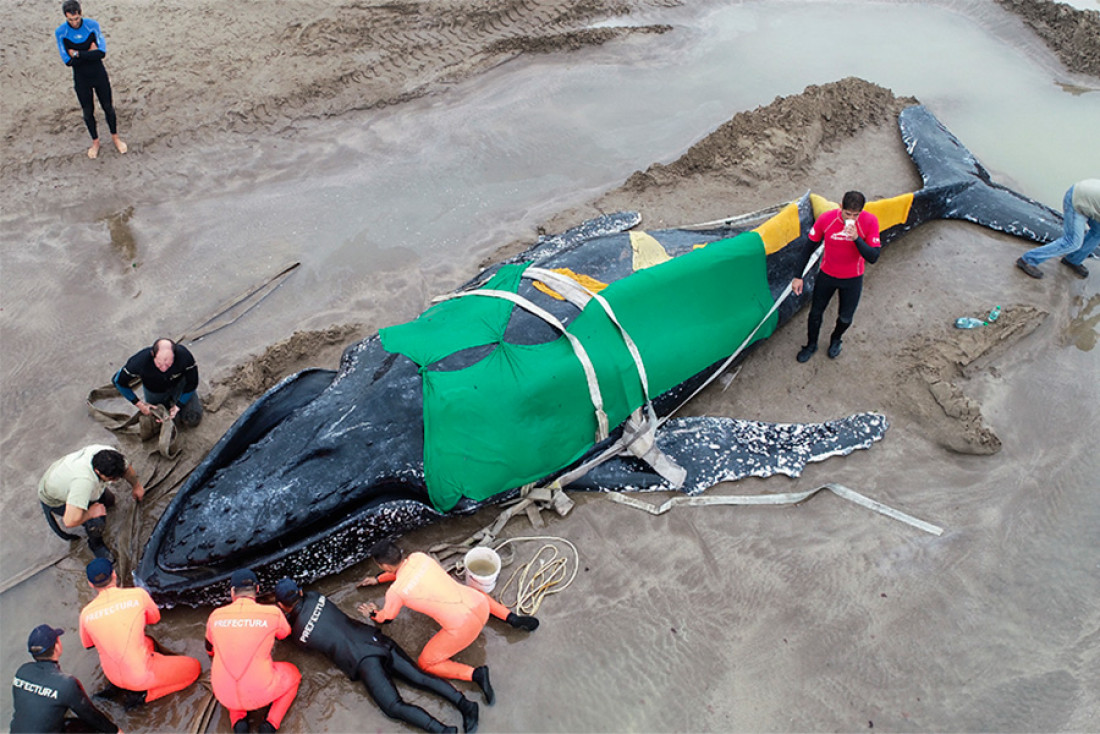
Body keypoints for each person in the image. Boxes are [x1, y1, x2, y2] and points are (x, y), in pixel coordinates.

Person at [274, 578, 478, 734]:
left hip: (362, 661)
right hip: (375, 639)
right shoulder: (316, 596)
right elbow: (309, 606)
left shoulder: (298, 634)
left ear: (282, 606)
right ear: (300, 591)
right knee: (419, 678)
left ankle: (444, 731)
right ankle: (466, 705)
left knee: (393, 707)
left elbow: (299, 640)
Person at [357, 539, 539, 705]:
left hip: (463, 629)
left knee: (426, 663)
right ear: (399, 552)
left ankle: (475, 674)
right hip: (482, 607)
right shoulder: (420, 557)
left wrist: (372, 612)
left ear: (383, 565)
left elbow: (386, 618)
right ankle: (512, 618)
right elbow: (404, 573)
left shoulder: (395, 592)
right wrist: (378, 579)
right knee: (471, 593)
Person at [79, 558, 201, 709]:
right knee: (194, 668)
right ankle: (143, 696)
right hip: (140, 676)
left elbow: (88, 644)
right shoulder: (138, 595)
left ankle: (118, 687)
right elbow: (154, 618)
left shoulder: (85, 613)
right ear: (115, 574)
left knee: (147, 641)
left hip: (112, 675)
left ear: (91, 584)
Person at [206, 569, 300, 733]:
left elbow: (209, 650)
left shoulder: (215, 616)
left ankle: (238, 721)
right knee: (293, 674)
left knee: (231, 672)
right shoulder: (273, 613)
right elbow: (285, 634)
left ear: (232, 592)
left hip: (222, 693)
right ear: (257, 590)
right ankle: (270, 724)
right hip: (260, 693)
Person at [792, 190, 881, 362]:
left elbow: (873, 257)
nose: (852, 218)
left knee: (846, 318)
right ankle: (811, 345)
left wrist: (856, 238)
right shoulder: (827, 219)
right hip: (827, 275)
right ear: (841, 207)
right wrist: (798, 276)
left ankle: (836, 339)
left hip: (853, 278)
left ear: (862, 211)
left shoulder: (870, 221)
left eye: (856, 215)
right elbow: (808, 248)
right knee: (815, 313)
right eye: (848, 214)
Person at [38, 445, 144, 561]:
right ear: (98, 472)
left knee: (109, 500)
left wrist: (136, 486)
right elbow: (69, 521)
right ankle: (96, 545)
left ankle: (95, 505)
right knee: (96, 521)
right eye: (111, 478)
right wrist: (90, 513)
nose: (115, 481)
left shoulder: (110, 455)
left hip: (65, 475)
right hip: (56, 498)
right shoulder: (83, 483)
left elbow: (126, 469)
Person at [10, 624, 120, 733]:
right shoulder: (66, 684)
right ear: (57, 646)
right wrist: (115, 731)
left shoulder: (22, 671)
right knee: (87, 727)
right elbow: (91, 716)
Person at [54, 1, 127, 159]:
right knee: (88, 112)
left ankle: (115, 137)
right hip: (81, 78)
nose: (74, 22)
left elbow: (101, 53)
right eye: (71, 20)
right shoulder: (61, 32)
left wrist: (78, 54)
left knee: (108, 107)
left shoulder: (92, 26)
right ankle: (95, 142)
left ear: (81, 13)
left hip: (99, 74)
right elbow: (68, 61)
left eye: (77, 18)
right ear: (66, 18)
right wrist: (88, 52)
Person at [1016, 179, 1100, 280]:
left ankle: (1073, 260)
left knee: (1098, 232)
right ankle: (1027, 260)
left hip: (1091, 199)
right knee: (1072, 242)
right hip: (1076, 200)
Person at [112, 338, 203, 428]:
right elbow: (119, 382)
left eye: (168, 364)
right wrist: (140, 405)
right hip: (154, 390)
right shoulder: (139, 362)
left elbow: (193, 383)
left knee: (193, 419)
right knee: (159, 421)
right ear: (152, 354)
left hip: (178, 385)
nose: (164, 368)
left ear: (174, 354)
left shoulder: (184, 356)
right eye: (159, 364)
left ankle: (178, 402)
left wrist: (179, 405)